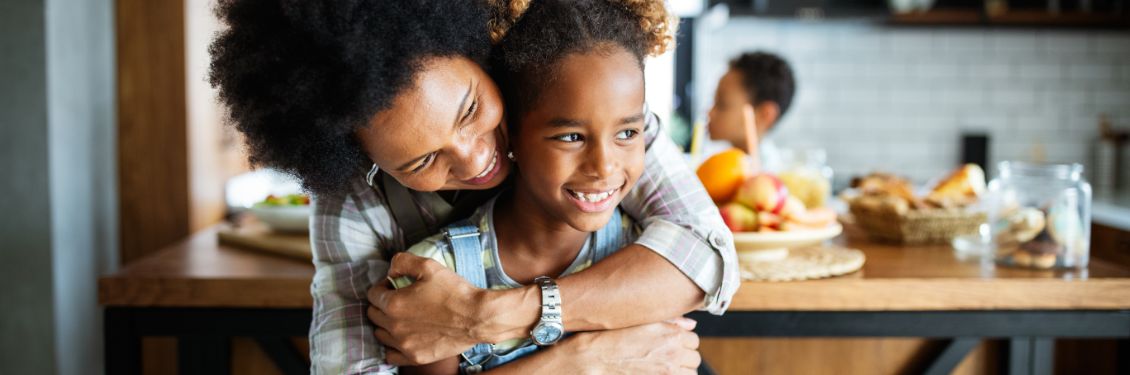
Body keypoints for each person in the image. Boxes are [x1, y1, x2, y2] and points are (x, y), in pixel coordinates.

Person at [208, 1, 738, 373]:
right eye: (424, 159)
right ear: (365, 161)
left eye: (470, 110)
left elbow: (708, 256)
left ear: (475, 49)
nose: (476, 156)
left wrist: (486, 316)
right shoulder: (354, 203)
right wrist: (580, 363)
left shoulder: (570, 101)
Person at [390, 0, 677, 373]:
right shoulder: (438, 277)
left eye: (627, 132)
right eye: (571, 136)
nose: (604, 166)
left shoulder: (649, 256)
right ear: (510, 135)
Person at [705, 51, 796, 171]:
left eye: (722, 105)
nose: (709, 113)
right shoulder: (714, 164)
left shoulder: (768, 179)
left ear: (764, 115)